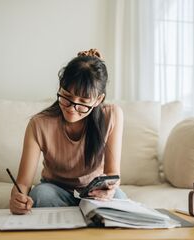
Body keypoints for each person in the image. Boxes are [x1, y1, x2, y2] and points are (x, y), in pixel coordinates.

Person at [9, 49, 127, 215]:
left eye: (83, 102)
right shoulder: (39, 124)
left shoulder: (112, 115)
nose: (72, 108)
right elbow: (23, 183)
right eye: (66, 96)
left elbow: (112, 173)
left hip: (94, 194)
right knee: (40, 195)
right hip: (55, 191)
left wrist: (109, 190)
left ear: (98, 99)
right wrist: (17, 197)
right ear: (60, 87)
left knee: (120, 201)